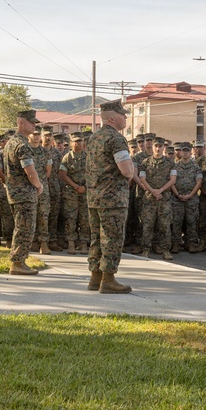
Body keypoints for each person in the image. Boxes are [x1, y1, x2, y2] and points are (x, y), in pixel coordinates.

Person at [85, 100, 135, 292]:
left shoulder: (94, 138)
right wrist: (131, 170)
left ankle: (95, 277)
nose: (125, 118)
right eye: (123, 115)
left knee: (97, 238)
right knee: (112, 238)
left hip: (95, 197)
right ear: (112, 118)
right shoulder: (116, 139)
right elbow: (126, 171)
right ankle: (108, 279)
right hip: (113, 199)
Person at [4, 110, 45, 275]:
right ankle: (18, 262)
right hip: (24, 193)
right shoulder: (22, 144)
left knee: (21, 227)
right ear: (21, 123)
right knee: (25, 228)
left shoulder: (11, 142)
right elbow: (30, 171)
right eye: (31, 122)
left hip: (16, 192)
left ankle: (18, 260)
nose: (34, 125)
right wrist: (38, 185)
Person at [138, 137, 177, 259]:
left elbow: (173, 180)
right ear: (152, 147)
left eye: (160, 146)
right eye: (156, 146)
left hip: (164, 198)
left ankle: (165, 249)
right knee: (147, 224)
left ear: (164, 148)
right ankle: (146, 249)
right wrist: (153, 191)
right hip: (150, 199)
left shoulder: (170, 162)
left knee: (165, 225)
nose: (158, 148)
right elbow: (142, 179)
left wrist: (160, 190)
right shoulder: (145, 163)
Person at [59, 132, 89, 254]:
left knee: (85, 219)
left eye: (79, 141)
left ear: (83, 143)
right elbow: (62, 174)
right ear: (71, 143)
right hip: (71, 192)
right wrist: (76, 186)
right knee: (71, 218)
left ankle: (83, 243)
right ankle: (71, 243)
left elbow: (93, 174)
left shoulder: (88, 157)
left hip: (85, 192)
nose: (77, 144)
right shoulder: (67, 157)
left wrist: (85, 187)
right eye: (75, 141)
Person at [171, 142, 203, 253]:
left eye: (187, 151)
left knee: (192, 221)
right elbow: (172, 182)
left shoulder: (196, 167)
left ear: (191, 152)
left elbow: (199, 182)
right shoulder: (175, 166)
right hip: (177, 199)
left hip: (192, 199)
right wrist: (178, 195)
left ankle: (191, 243)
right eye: (183, 150)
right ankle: (175, 243)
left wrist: (190, 195)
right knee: (177, 221)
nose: (184, 153)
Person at [28, 127, 53, 254]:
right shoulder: (25, 150)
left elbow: (48, 171)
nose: (36, 136)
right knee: (29, 215)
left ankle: (43, 243)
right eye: (34, 134)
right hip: (28, 187)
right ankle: (31, 242)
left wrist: (39, 183)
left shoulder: (45, 152)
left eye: (38, 134)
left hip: (42, 188)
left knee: (43, 215)